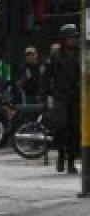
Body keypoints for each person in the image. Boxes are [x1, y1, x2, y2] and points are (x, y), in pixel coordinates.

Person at [45, 23, 82, 174]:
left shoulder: (81, 54)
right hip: (60, 97)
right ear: (64, 39)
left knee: (74, 130)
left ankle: (71, 162)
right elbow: (46, 78)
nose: (73, 40)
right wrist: (47, 96)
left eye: (75, 37)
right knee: (60, 127)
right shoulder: (55, 56)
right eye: (70, 37)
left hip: (75, 97)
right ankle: (61, 155)